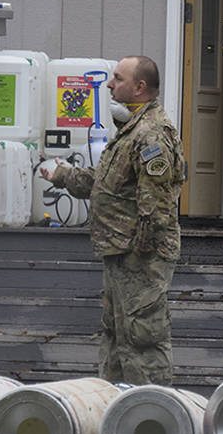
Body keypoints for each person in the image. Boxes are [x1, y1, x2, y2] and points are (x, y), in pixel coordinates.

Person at [40, 55, 186, 385]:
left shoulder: (151, 135)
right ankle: (117, 410)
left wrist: (144, 251)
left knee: (142, 336)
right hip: (120, 252)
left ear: (140, 87)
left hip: (140, 256)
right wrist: (63, 175)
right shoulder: (129, 131)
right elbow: (105, 182)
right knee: (117, 334)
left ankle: (150, 418)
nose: (109, 84)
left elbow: (158, 201)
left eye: (117, 79)